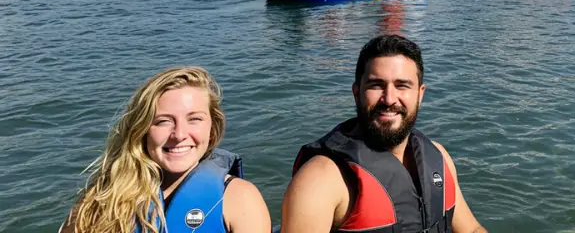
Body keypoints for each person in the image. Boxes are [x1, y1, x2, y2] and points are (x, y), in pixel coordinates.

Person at [281, 35, 487, 233]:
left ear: (420, 94)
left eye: (402, 86)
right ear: (356, 92)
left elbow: (472, 229)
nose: (389, 99)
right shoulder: (321, 179)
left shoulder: (439, 158)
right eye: (376, 85)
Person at [60, 67, 270, 233]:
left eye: (194, 119)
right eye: (163, 121)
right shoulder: (103, 198)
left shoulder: (240, 199)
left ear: (212, 128)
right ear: (141, 130)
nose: (179, 134)